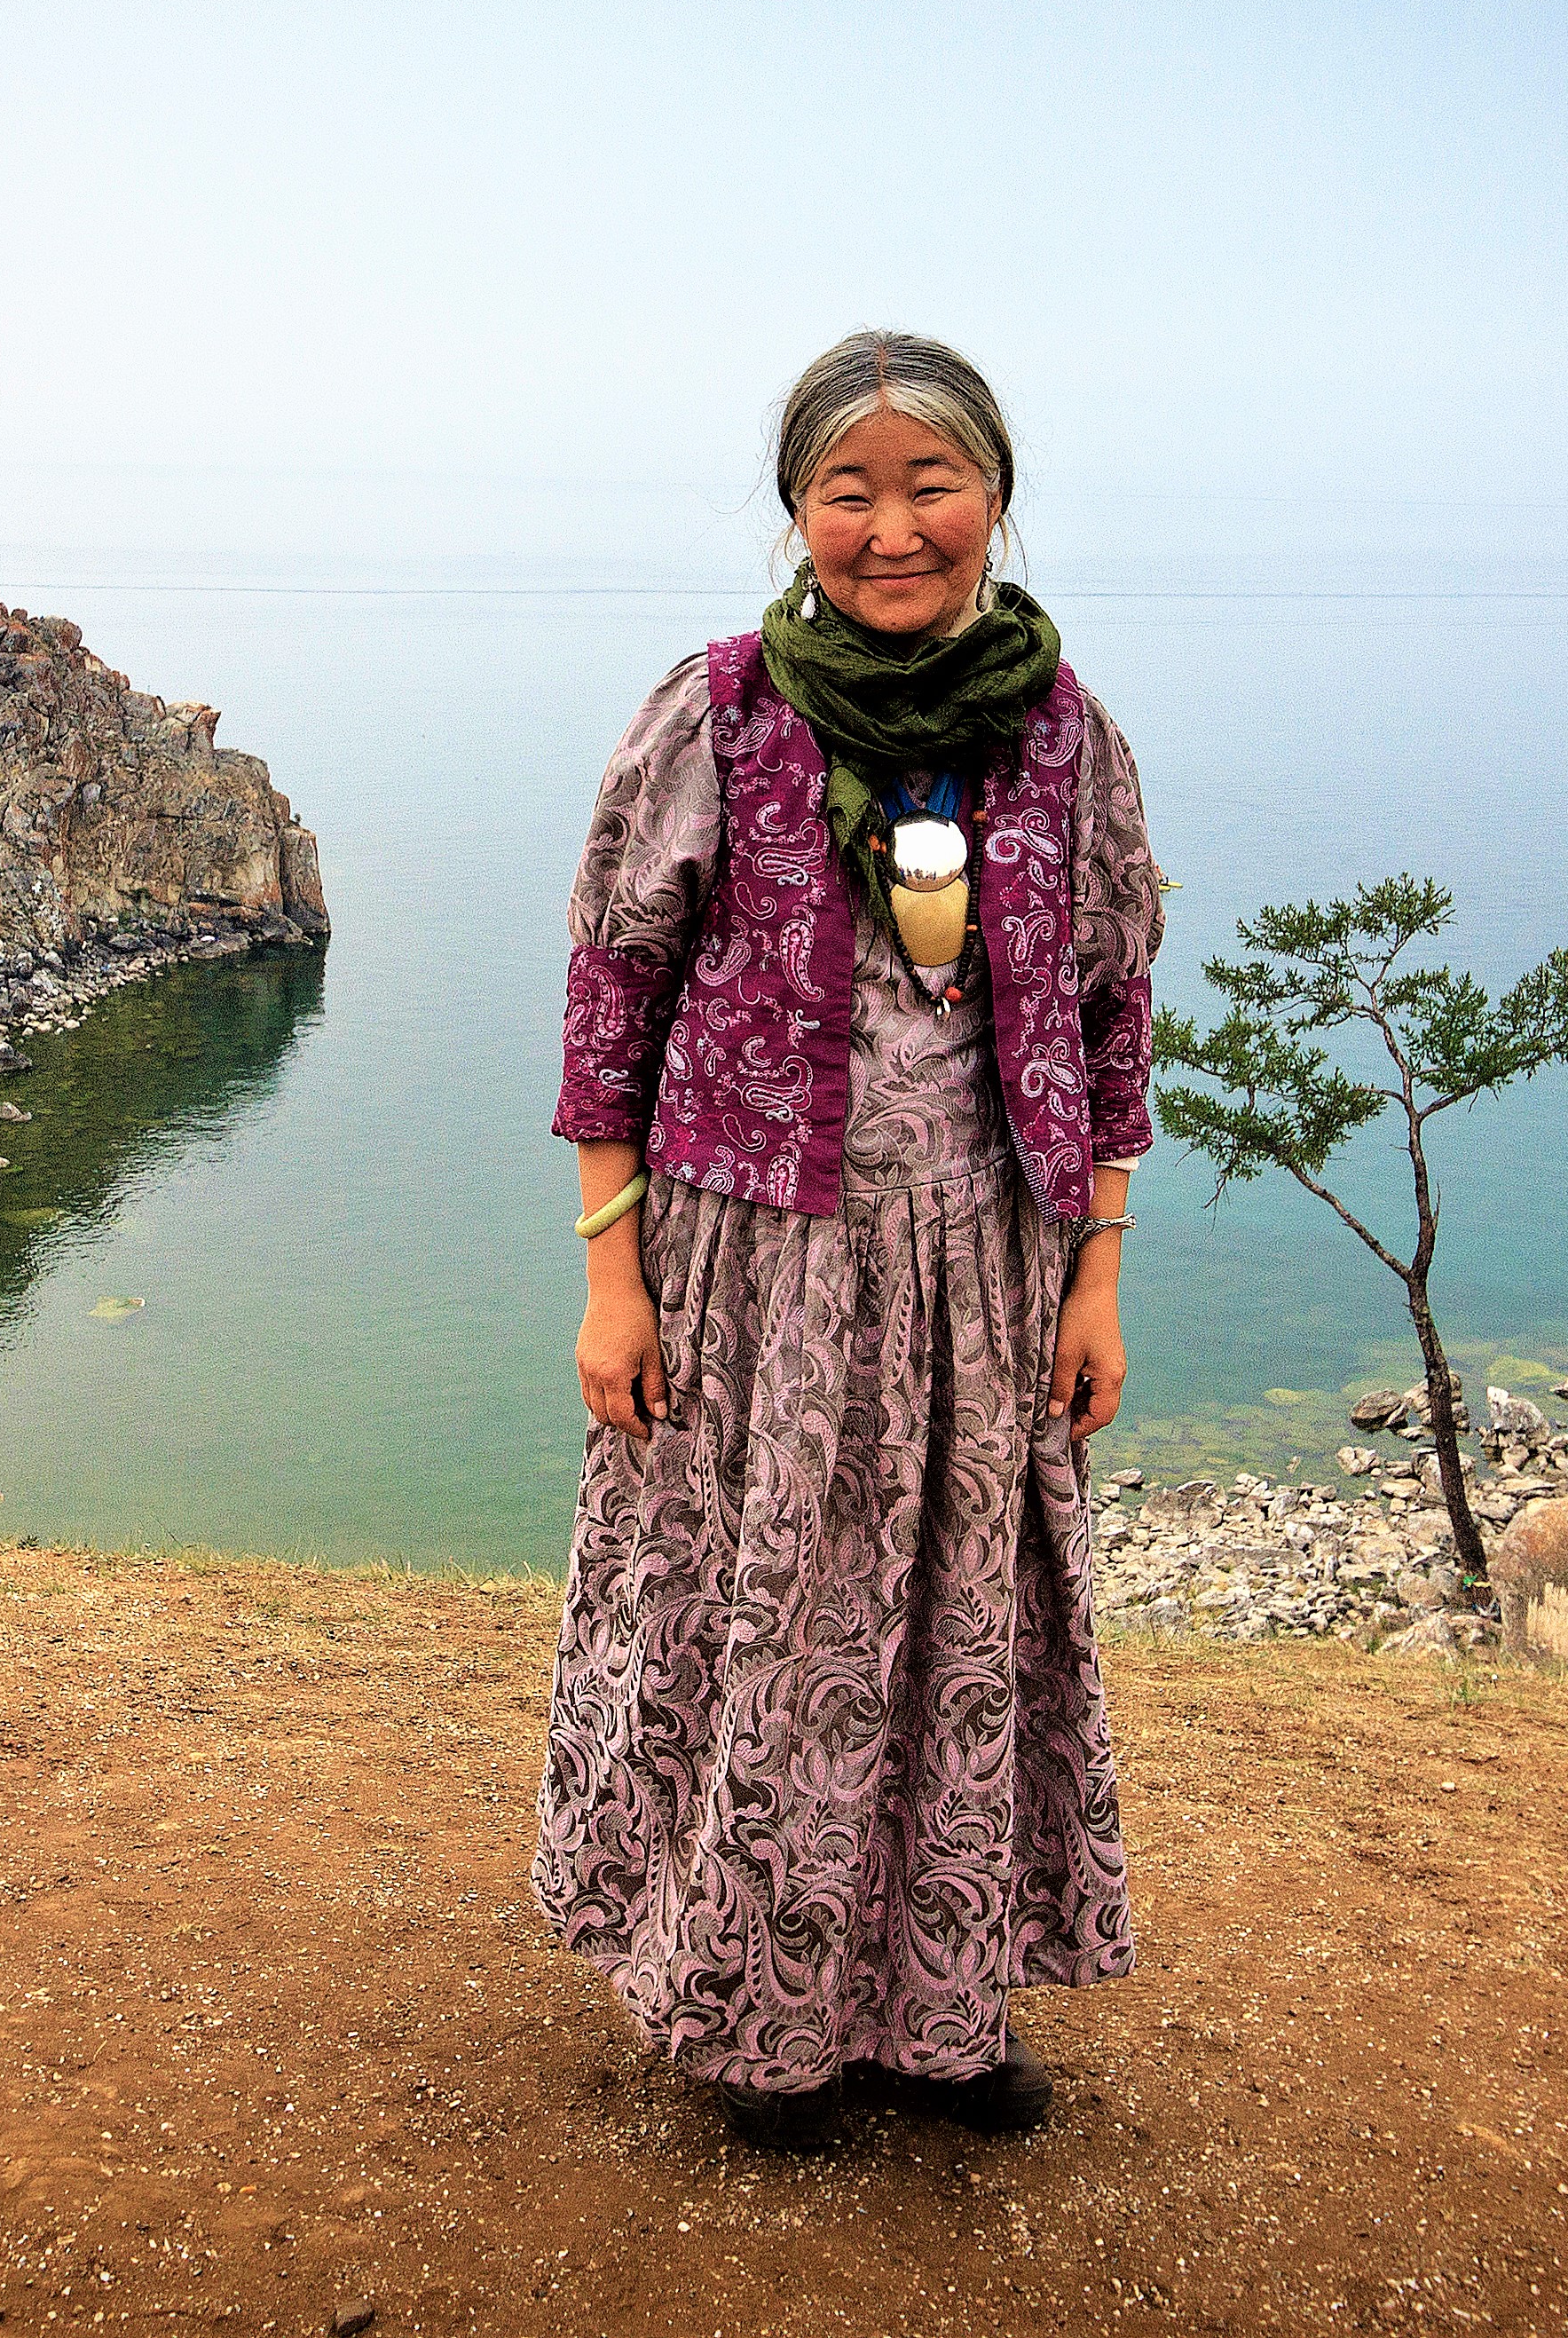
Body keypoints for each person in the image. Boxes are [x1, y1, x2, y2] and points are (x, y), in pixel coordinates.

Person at [535, 331, 1163, 2152]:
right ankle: (758, 2018)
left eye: (930, 483)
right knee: (774, 1623)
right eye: (846, 489)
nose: (891, 528)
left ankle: (939, 2017)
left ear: (994, 499)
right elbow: (611, 992)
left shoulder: (1058, 731)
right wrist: (607, 1272)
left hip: (984, 1266)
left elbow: (1111, 1010)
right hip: (753, 1268)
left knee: (954, 1631)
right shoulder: (722, 712)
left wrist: (1098, 1276)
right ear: (798, 510)